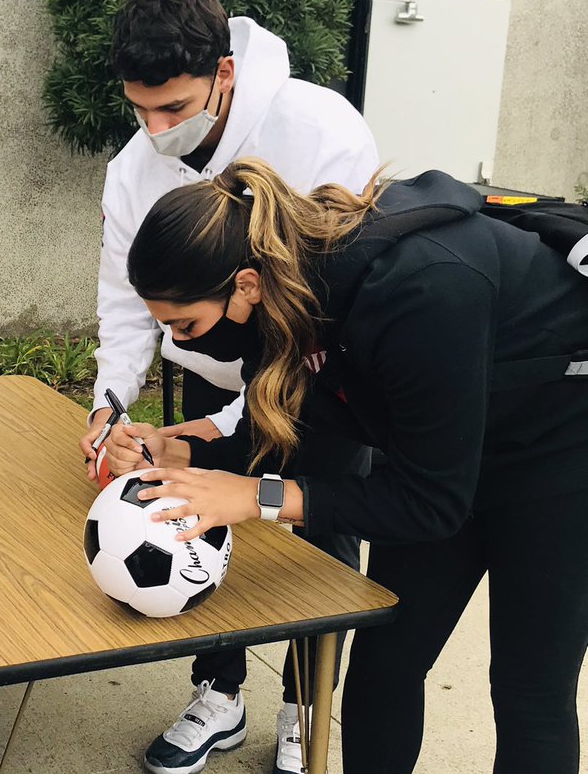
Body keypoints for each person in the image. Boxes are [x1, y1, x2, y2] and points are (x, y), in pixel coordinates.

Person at [107, 158, 588, 774]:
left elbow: (429, 502)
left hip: (558, 456)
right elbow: (301, 440)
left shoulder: (419, 290)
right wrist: (183, 453)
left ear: (245, 286)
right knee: (384, 665)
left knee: (529, 687)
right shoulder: (294, 297)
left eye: (185, 324)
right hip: (439, 446)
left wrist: (260, 496)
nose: (180, 342)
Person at [82, 0, 379, 774]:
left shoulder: (319, 128)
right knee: (200, 522)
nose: (155, 128)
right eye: (139, 108)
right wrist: (112, 404)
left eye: (173, 108)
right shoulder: (132, 167)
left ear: (223, 73)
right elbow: (123, 299)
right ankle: (219, 691)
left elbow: (338, 298)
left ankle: (304, 707)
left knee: (320, 534)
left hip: (323, 379)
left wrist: (240, 423)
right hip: (207, 374)